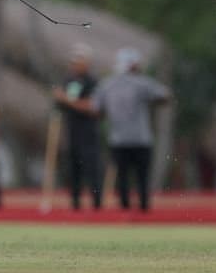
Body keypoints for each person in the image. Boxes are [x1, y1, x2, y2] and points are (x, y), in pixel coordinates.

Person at [55, 47, 172, 211]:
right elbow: (165, 95)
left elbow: (95, 109)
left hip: (118, 139)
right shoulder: (142, 82)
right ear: (133, 65)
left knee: (122, 178)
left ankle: (124, 210)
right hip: (141, 139)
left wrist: (67, 100)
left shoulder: (107, 84)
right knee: (141, 178)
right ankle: (144, 209)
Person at [50, 44, 102, 210]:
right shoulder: (69, 81)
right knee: (73, 169)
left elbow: (91, 107)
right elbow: (63, 104)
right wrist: (59, 101)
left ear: (86, 63)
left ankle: (96, 204)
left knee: (91, 168)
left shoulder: (92, 82)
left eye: (78, 62)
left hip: (88, 133)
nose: (74, 65)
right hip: (72, 132)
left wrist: (65, 99)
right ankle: (75, 203)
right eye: (72, 62)